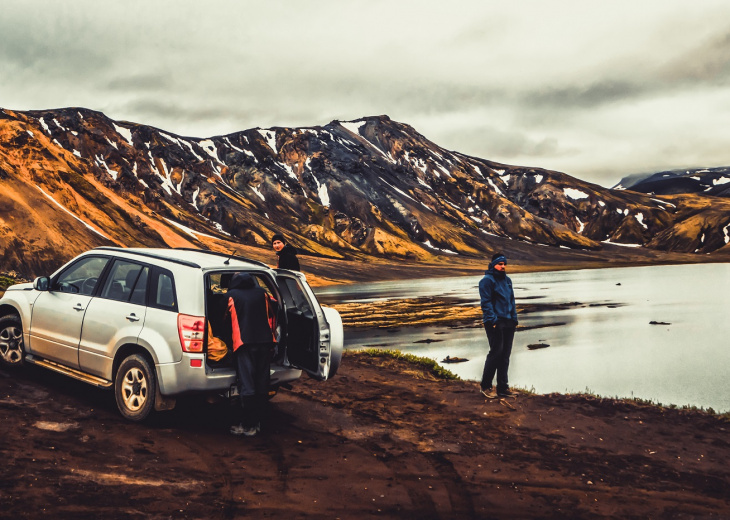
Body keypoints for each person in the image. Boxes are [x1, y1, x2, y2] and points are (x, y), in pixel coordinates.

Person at [226, 272, 277, 436]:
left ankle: (248, 426)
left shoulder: (231, 295)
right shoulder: (262, 293)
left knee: (247, 384)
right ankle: (259, 423)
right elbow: (272, 312)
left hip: (244, 343)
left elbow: (223, 318)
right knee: (262, 382)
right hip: (265, 342)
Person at [479, 252, 518, 399]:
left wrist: (514, 319)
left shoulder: (507, 280)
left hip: (509, 321)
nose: (503, 266)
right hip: (495, 322)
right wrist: (493, 320)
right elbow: (486, 303)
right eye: (500, 264)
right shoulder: (486, 281)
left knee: (505, 355)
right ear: (493, 264)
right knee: (496, 353)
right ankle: (485, 386)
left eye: (504, 264)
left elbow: (512, 300)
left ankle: (503, 387)